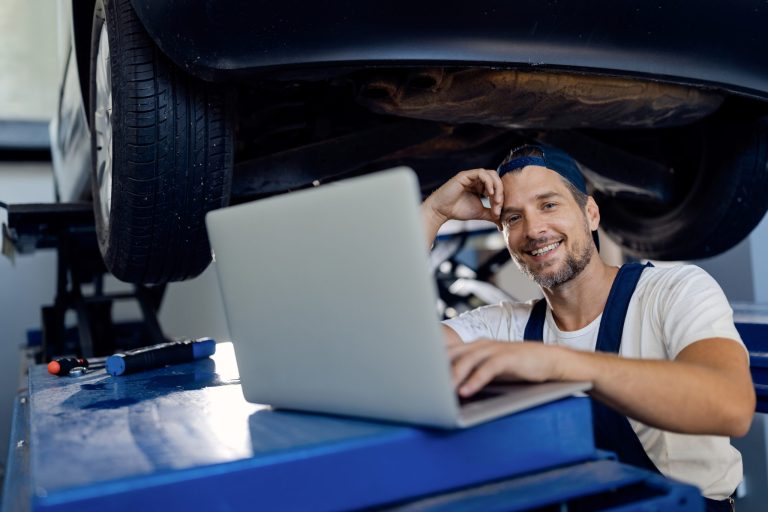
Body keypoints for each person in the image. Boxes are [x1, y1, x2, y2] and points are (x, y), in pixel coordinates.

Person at [420, 143, 755, 511]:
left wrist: (560, 365)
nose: (534, 229)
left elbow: (731, 405)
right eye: (513, 218)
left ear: (591, 214)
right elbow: (386, 353)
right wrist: (434, 212)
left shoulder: (673, 290)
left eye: (549, 205)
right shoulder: (501, 324)